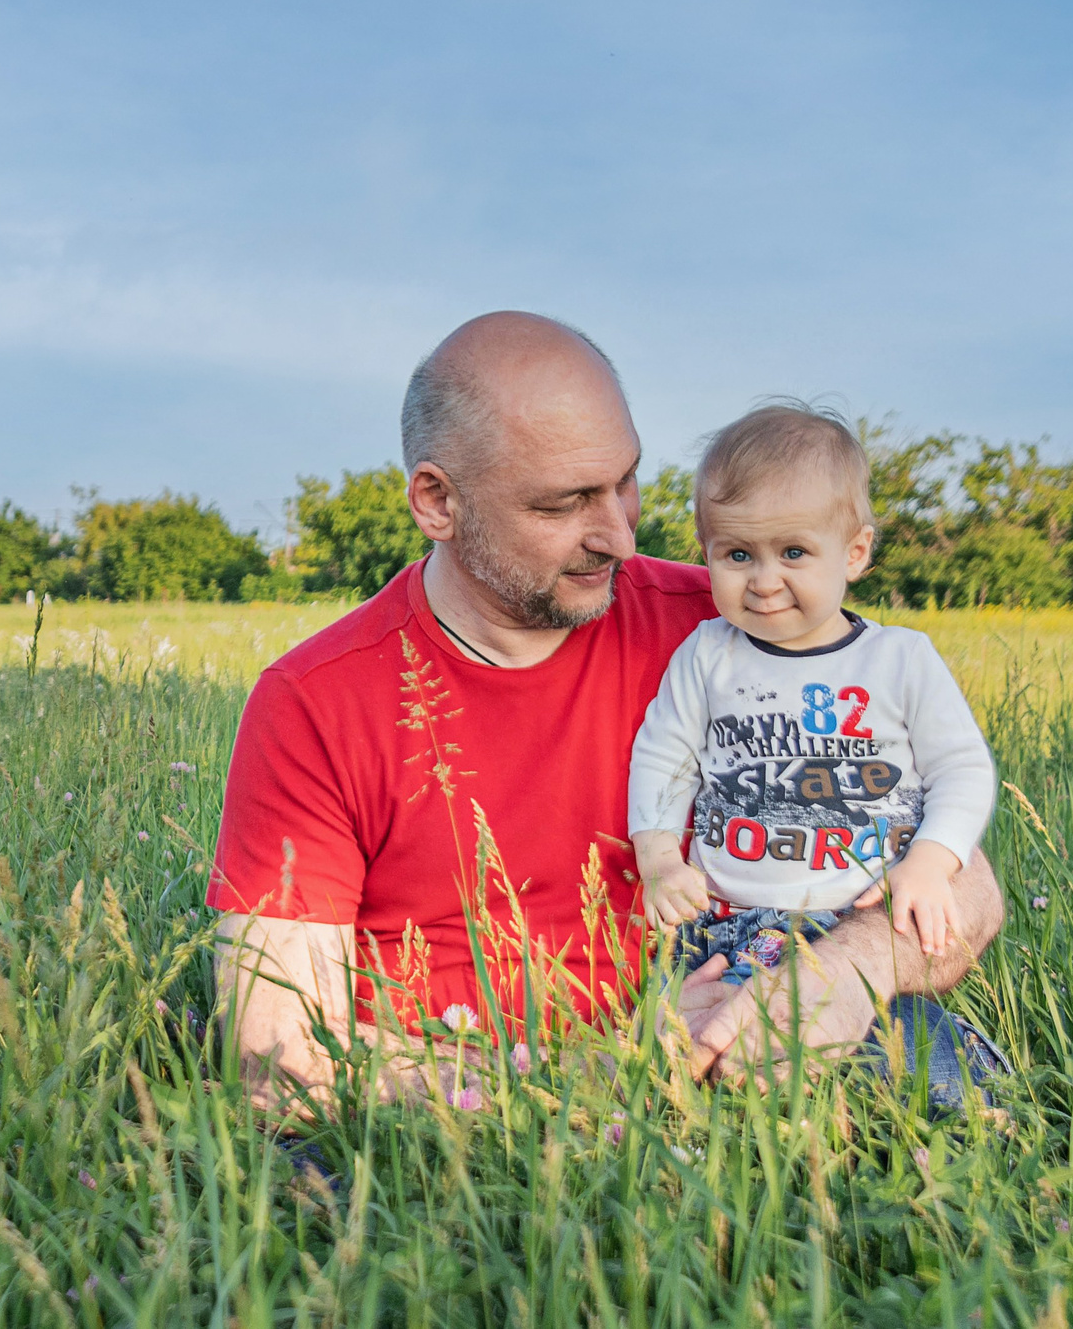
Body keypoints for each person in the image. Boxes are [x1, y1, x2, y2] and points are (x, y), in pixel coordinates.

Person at [207, 312, 1005, 1116]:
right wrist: (613, 1069)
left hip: (752, 1057)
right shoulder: (316, 701)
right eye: (566, 505)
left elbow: (966, 886)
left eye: (625, 481)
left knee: (935, 1074)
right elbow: (276, 1058)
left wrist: (847, 973)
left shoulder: (730, 629)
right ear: (438, 501)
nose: (621, 537)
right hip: (474, 1124)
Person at [629, 404, 998, 992]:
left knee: (873, 1032)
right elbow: (663, 759)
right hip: (725, 921)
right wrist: (659, 862)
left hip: (859, 918)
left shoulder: (899, 659)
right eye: (738, 555)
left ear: (854, 552)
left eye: (793, 553)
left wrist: (931, 863)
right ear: (706, 550)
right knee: (724, 1025)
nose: (763, 580)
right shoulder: (707, 653)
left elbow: (962, 769)